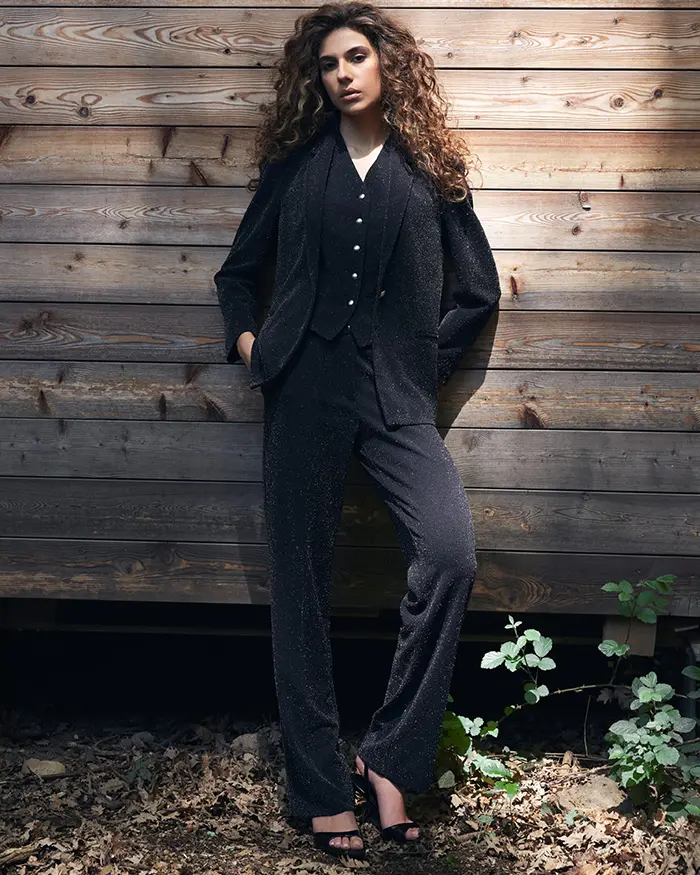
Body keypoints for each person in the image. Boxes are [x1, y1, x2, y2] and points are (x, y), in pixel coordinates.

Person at [214, 1, 501, 863]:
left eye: (356, 58)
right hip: (303, 388)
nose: (342, 74)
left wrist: (421, 362)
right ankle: (318, 790)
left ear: (387, 66)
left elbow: (478, 290)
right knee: (300, 586)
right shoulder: (297, 167)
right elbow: (238, 273)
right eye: (328, 64)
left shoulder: (430, 170)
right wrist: (255, 347)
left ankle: (390, 755)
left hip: (396, 396)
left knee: (449, 554)